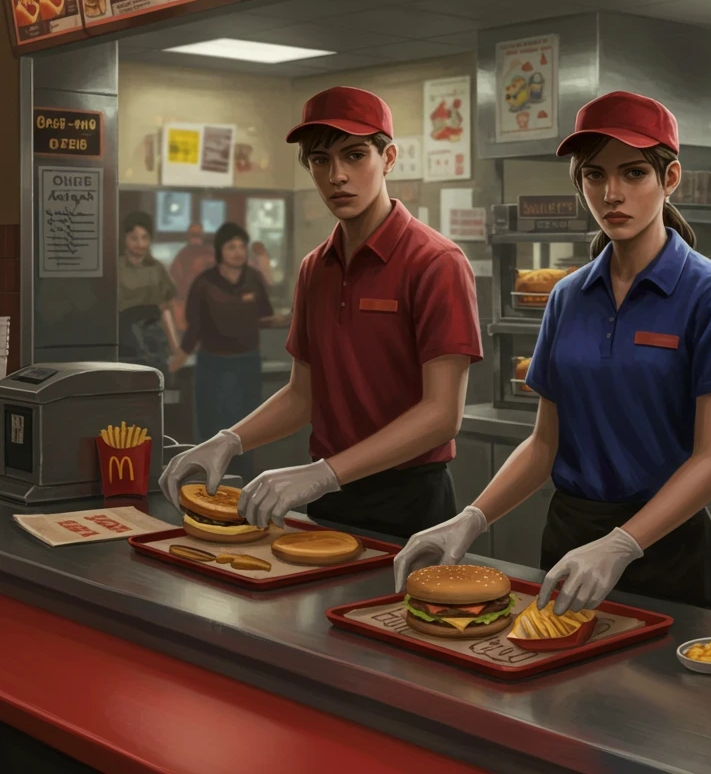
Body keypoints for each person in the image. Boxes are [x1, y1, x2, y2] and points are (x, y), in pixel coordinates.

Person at [392, 92, 711, 615]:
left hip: (666, 545)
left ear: (669, 178)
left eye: (634, 173)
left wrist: (622, 544)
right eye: (594, 175)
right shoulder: (568, 295)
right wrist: (472, 518)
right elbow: (545, 443)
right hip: (569, 540)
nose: (612, 193)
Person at [158, 87, 483, 539]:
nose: (337, 176)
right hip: (330, 497)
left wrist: (324, 473)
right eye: (320, 160)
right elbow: (303, 394)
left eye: (353, 156)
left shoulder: (436, 262)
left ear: (388, 158)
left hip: (409, 496)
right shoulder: (316, 267)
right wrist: (229, 440)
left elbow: (442, 414)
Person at [170, 222, 285, 474]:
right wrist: (178, 358)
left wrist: (287, 319)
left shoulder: (253, 279)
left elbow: (264, 316)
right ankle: (208, 482)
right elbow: (195, 326)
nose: (238, 252)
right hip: (213, 364)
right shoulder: (204, 282)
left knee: (246, 429)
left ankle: (243, 483)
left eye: (242, 246)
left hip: (247, 363)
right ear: (220, 250)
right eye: (231, 246)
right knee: (212, 427)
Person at [117, 211, 181, 378]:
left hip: (154, 340)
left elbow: (167, 309)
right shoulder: (116, 268)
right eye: (134, 238)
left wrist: (176, 349)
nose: (140, 243)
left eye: (145, 238)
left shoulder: (157, 268)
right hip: (125, 339)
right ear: (125, 238)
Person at [169, 222, 215, 331]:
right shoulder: (182, 255)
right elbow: (175, 277)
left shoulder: (210, 254)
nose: (196, 235)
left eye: (197, 233)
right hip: (185, 299)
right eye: (194, 233)